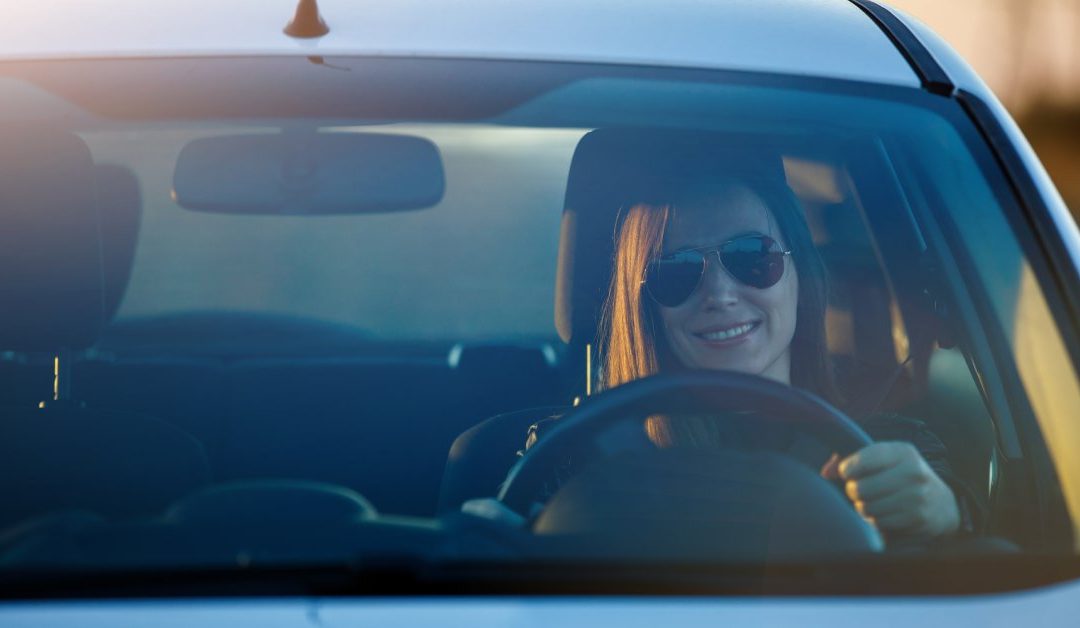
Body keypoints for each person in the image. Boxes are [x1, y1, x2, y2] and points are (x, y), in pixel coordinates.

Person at [508, 176, 979, 543]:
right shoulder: (573, 458)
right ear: (647, 305)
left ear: (802, 277)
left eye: (752, 256)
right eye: (678, 270)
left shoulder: (884, 455)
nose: (719, 294)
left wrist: (951, 514)